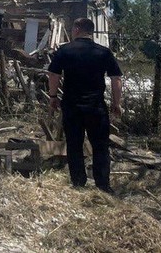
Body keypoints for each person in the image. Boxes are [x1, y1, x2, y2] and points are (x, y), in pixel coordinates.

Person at [48, 17, 122, 193]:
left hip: (72, 106)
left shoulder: (65, 51)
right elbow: (116, 79)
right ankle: (103, 185)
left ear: (76, 30)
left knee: (74, 144)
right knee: (100, 145)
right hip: (96, 106)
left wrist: (52, 96)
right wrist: (117, 103)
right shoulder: (103, 52)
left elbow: (53, 75)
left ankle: (78, 183)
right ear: (91, 32)